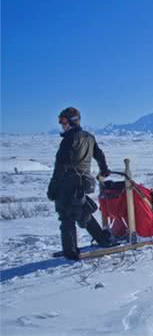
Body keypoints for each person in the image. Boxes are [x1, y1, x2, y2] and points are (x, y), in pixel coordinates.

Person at [47, 107, 115, 260]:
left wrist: (53, 188)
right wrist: (104, 169)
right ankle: (103, 240)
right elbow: (99, 154)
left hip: (67, 183)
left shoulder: (69, 140)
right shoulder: (89, 137)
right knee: (83, 212)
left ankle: (70, 252)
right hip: (82, 182)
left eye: (63, 121)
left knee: (66, 217)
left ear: (72, 121)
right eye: (60, 121)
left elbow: (60, 166)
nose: (61, 125)